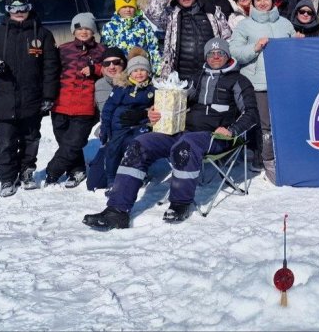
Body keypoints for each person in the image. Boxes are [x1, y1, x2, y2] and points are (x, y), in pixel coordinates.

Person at [82, 38, 259, 229]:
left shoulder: (239, 81)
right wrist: (154, 111)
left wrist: (231, 130)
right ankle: (117, 210)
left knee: (186, 145)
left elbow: (251, 113)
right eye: (211, 54)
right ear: (206, 56)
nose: (215, 57)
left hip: (217, 137)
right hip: (183, 132)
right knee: (140, 143)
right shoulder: (196, 78)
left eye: (220, 53)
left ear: (227, 55)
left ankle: (180, 203)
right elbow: (177, 101)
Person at [0, 0, 60, 196]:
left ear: (30, 9)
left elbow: (51, 67)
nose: (19, 12)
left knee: (31, 138)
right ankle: (7, 178)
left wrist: (48, 96)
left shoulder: (42, 34)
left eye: (24, 8)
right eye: (14, 9)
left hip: (33, 96)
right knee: (6, 141)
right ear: (7, 11)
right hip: (5, 97)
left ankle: (27, 172)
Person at [230, 0, 297, 179]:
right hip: (257, 83)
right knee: (264, 125)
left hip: (283, 82)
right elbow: (234, 52)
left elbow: (293, 50)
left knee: (283, 122)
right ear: (253, 2)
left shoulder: (285, 23)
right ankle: (267, 161)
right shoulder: (245, 25)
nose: (262, 3)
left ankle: (282, 156)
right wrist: (255, 47)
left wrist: (298, 42)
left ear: (272, 0)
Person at [44, 13, 105, 188]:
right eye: (79, 28)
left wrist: (96, 68)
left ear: (93, 31)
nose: (83, 32)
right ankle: (77, 170)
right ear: (73, 31)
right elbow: (50, 72)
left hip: (85, 107)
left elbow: (113, 70)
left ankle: (52, 171)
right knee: (64, 142)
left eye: (87, 28)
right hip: (61, 104)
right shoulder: (63, 50)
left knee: (74, 142)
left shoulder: (101, 51)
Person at [97, 48, 155, 188]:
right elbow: (108, 109)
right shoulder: (122, 88)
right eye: (135, 70)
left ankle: (140, 174)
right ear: (129, 73)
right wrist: (105, 129)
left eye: (142, 70)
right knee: (113, 150)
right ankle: (111, 178)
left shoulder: (152, 89)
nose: (139, 73)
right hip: (119, 127)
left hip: (139, 125)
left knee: (137, 146)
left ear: (148, 71)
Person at [144, 0, 219, 81]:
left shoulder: (211, 13)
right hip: (179, 77)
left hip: (209, 74)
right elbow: (152, 12)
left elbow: (226, 38)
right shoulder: (170, 16)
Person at [101, 0, 161, 74]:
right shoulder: (109, 27)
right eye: (124, 7)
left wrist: (157, 69)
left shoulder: (143, 24)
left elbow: (153, 48)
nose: (128, 10)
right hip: (121, 70)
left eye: (131, 7)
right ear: (118, 9)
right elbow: (107, 52)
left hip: (141, 69)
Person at [94, 47, 127, 114]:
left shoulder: (133, 82)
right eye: (107, 63)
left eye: (116, 62)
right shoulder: (99, 85)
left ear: (124, 63)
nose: (111, 67)